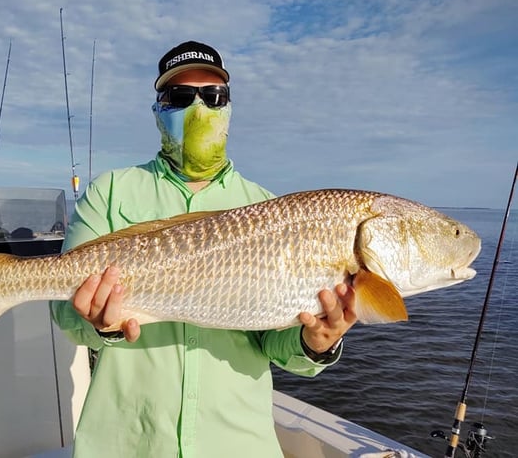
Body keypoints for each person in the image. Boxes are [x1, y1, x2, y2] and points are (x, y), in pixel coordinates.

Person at [50, 40, 357, 458]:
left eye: (213, 96)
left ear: (228, 108)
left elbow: (275, 342)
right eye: (180, 96)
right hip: (126, 442)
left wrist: (315, 342)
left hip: (237, 444)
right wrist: (98, 324)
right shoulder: (110, 192)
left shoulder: (271, 210)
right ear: (159, 109)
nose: (199, 108)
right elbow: (66, 313)